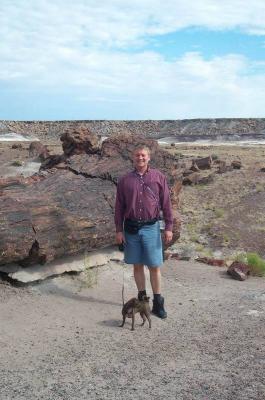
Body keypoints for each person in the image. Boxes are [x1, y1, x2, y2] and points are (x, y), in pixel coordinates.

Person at [114, 145, 173, 319]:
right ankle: (142, 299)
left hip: (151, 228)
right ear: (133, 158)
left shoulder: (158, 177)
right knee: (137, 264)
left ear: (149, 158)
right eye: (137, 155)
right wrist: (119, 230)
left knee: (154, 266)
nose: (140, 158)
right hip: (131, 229)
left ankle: (158, 303)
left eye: (143, 155)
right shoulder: (125, 180)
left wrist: (169, 227)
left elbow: (167, 203)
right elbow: (119, 207)